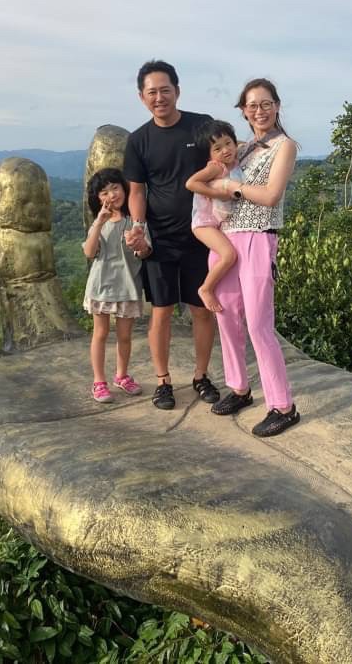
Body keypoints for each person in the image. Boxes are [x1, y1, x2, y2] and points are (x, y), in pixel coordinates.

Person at [203, 78, 300, 437]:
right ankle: (240, 388)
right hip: (226, 240)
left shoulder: (285, 146)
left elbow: (271, 196)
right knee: (226, 316)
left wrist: (232, 187)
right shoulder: (240, 149)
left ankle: (283, 406)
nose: (259, 111)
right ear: (243, 111)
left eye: (265, 103)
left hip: (259, 238)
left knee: (259, 324)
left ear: (277, 105)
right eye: (252, 105)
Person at [122, 60, 221, 410]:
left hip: (202, 234)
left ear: (177, 91)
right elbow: (137, 191)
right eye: (152, 92)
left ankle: (201, 375)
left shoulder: (201, 126)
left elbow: (222, 162)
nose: (159, 97)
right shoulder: (138, 140)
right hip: (160, 239)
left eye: (165, 90)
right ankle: (163, 381)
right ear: (142, 97)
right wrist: (138, 227)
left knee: (201, 309)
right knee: (161, 311)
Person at [81, 168, 150, 403]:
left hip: (128, 287)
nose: (112, 195)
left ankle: (121, 376)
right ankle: (99, 382)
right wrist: (99, 223)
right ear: (97, 199)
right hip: (101, 286)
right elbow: (89, 252)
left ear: (124, 188)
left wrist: (138, 244)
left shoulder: (136, 222)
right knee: (100, 334)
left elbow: (145, 252)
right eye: (104, 192)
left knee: (125, 336)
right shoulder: (99, 223)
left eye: (115, 188)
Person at [185, 120, 243, 313]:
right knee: (229, 255)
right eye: (217, 148)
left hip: (216, 223)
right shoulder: (216, 167)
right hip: (203, 224)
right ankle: (206, 288)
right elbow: (191, 183)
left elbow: (240, 145)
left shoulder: (234, 162)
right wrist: (218, 193)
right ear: (209, 155)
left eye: (228, 143)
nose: (225, 150)